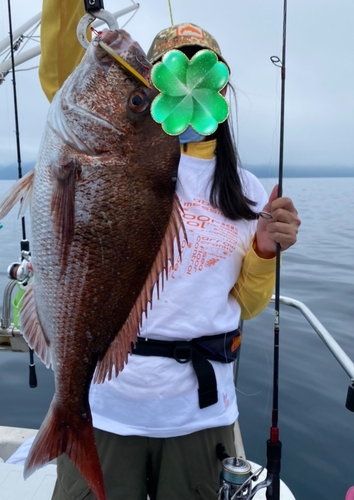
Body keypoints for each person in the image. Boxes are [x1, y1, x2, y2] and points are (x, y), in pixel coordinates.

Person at [10, 22, 301, 500]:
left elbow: (245, 305)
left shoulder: (246, 190)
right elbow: (63, 66)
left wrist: (265, 251)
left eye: (204, 73)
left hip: (200, 415)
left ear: (222, 88)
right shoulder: (120, 149)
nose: (189, 86)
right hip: (107, 406)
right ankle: (68, 412)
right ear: (154, 83)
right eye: (169, 72)